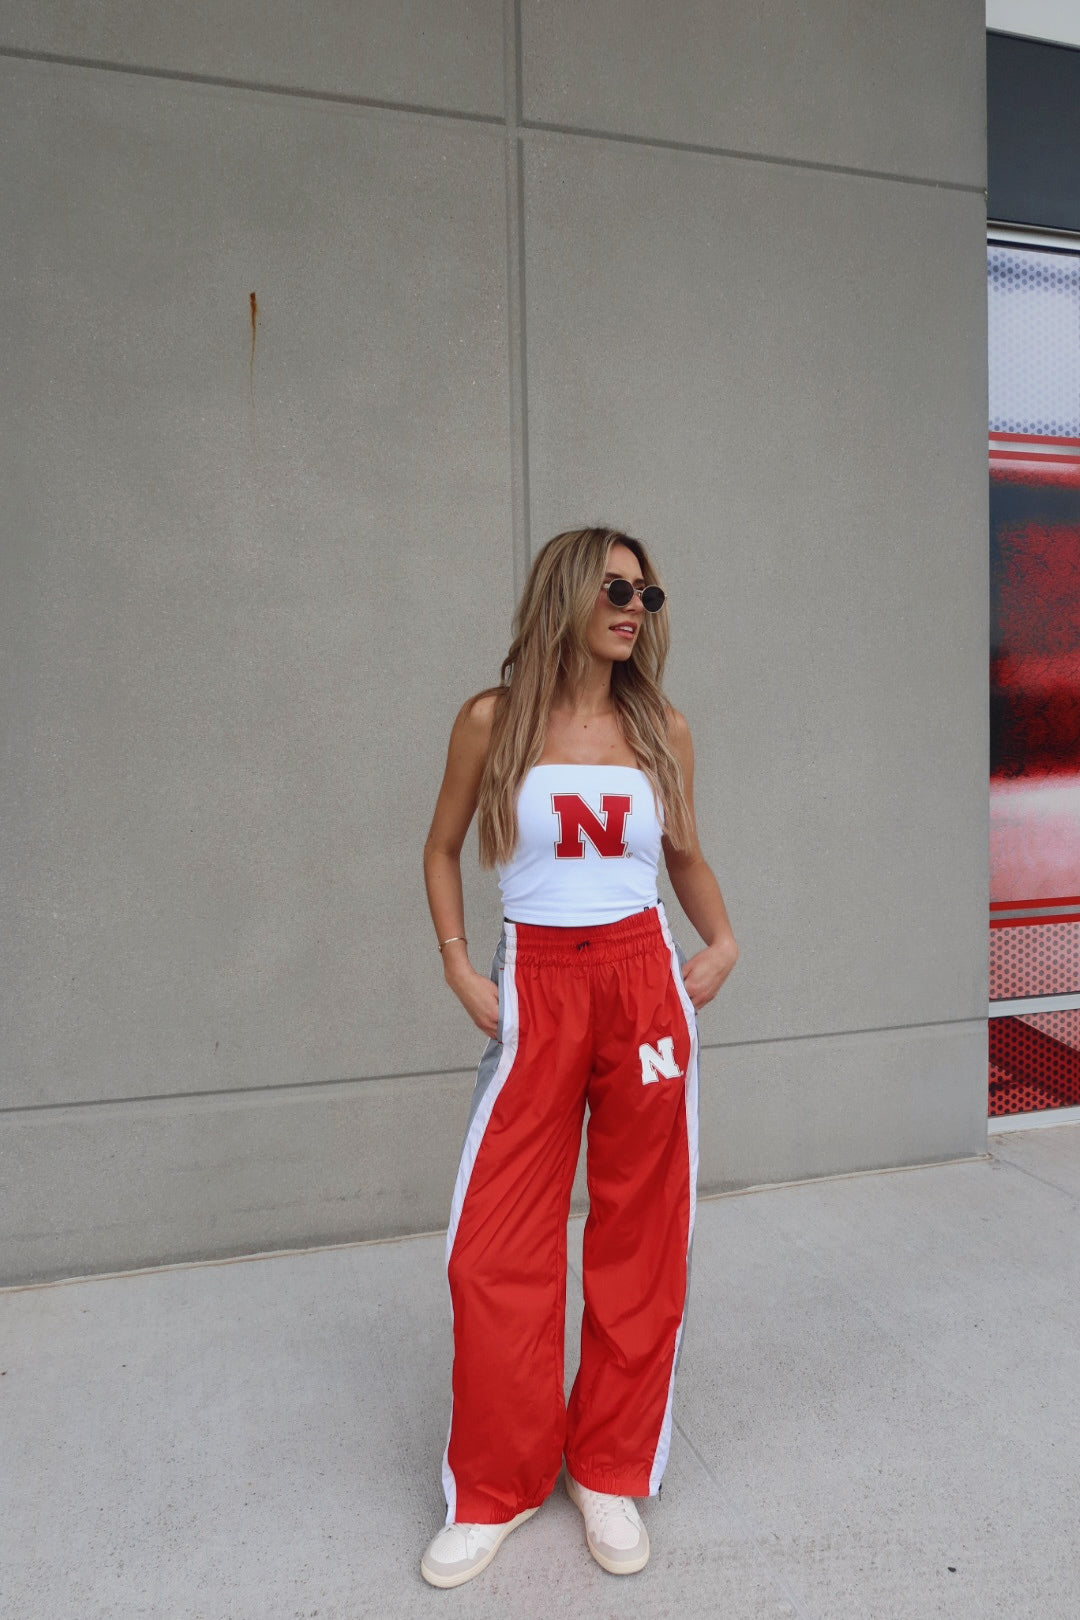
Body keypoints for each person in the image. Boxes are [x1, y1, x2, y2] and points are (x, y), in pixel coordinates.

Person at [420, 526, 737, 1588]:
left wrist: (723, 941)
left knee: (641, 1233)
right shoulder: (493, 720)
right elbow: (440, 844)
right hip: (538, 985)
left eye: (648, 591)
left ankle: (605, 1468)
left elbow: (683, 852)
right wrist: (463, 968)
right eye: (615, 585)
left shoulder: (663, 729)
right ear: (565, 590)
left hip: (642, 984)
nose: (634, 606)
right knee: (493, 1243)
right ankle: (498, 1483)